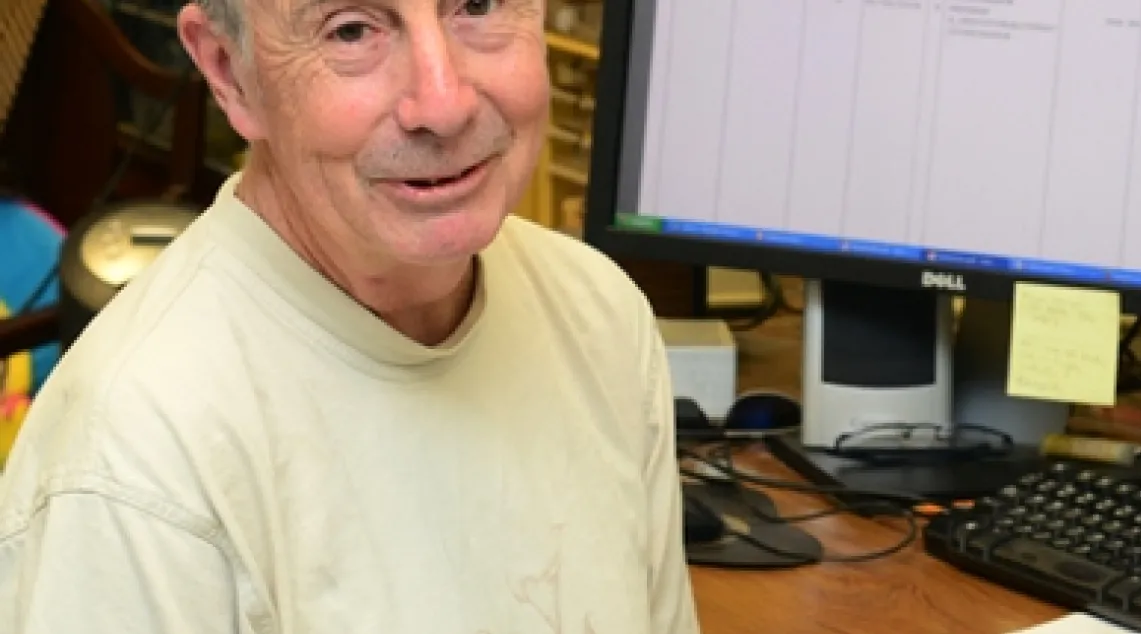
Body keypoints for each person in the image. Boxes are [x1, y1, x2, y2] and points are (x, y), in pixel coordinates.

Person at [0, 0, 699, 630]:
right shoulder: (137, 460)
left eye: (478, 4)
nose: (443, 103)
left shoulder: (599, 315)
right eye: (352, 30)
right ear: (229, 72)